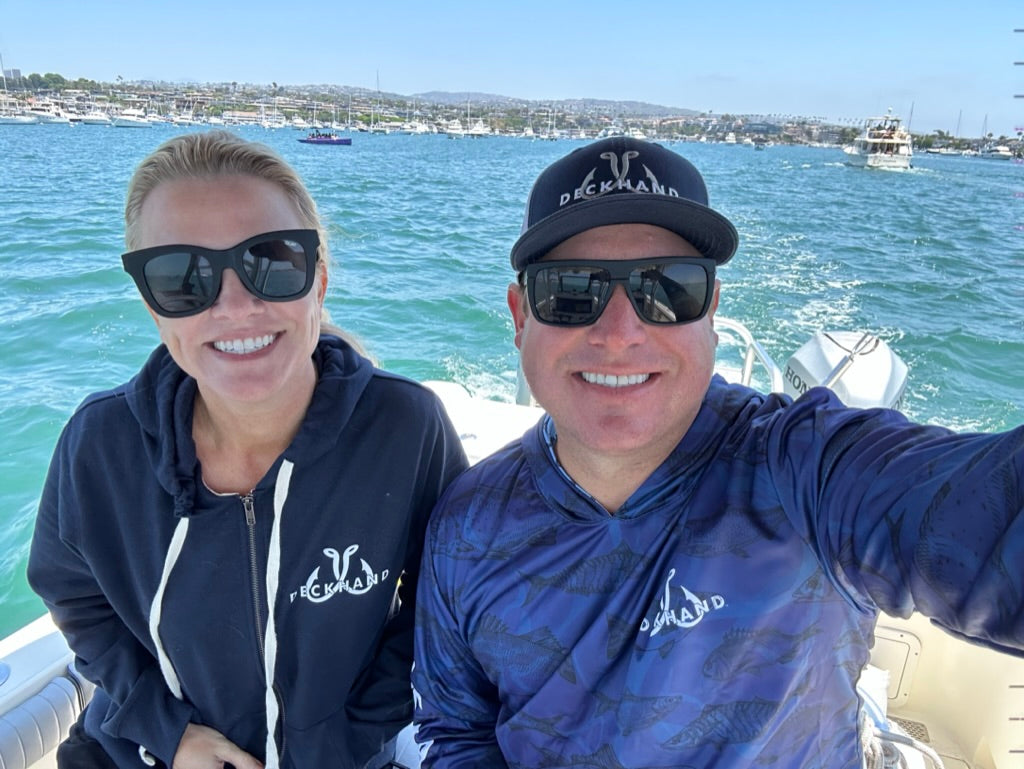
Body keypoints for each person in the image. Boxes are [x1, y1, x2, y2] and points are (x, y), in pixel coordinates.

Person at [411, 136, 1024, 767]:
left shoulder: (808, 470)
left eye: (668, 289)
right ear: (519, 317)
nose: (620, 335)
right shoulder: (467, 525)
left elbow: (987, 521)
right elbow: (459, 731)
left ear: (710, 311)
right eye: (571, 291)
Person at [28, 130, 468, 769]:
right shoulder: (101, 445)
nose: (235, 306)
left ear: (317, 282)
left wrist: (336, 745)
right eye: (182, 276)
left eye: (274, 260)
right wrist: (167, 732)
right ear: (154, 307)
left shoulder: (404, 428)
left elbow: (443, 606)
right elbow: (73, 595)